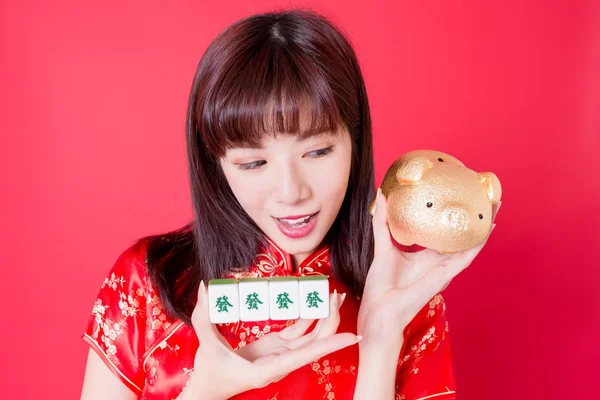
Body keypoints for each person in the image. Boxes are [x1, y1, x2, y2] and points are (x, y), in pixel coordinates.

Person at [80, 9, 498, 400]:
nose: (290, 191)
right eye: (254, 162)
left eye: (317, 152)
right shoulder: (148, 282)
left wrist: (380, 340)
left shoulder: (406, 295)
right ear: (216, 164)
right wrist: (205, 390)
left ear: (355, 142)